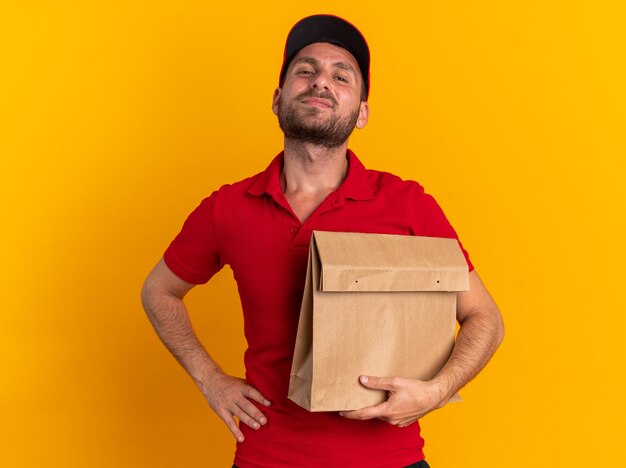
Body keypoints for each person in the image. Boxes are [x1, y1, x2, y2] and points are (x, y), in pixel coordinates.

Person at [141, 14, 504, 468]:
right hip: (268, 458)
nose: (321, 82)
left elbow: (484, 316)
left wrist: (438, 390)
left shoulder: (408, 204)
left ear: (363, 112)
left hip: (392, 460)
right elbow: (159, 290)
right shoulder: (228, 207)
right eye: (305, 71)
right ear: (278, 99)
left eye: (341, 76)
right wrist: (210, 379)